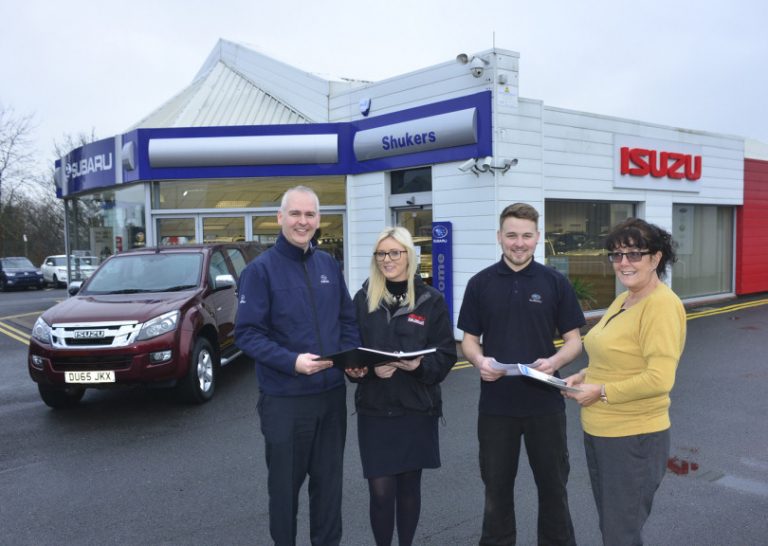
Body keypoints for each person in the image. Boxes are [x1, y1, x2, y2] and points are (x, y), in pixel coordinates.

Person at [234, 185, 360, 546]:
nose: (302, 222)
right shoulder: (260, 271)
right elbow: (247, 334)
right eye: (295, 214)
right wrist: (292, 362)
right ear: (280, 218)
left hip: (331, 398)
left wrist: (350, 357)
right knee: (285, 493)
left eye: (310, 215)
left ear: (318, 220)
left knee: (329, 490)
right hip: (286, 401)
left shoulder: (328, 265)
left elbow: (346, 320)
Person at [457, 202, 585, 546]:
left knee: (554, 490)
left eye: (526, 236)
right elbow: (468, 341)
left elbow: (575, 341)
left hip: (545, 406)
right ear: (499, 237)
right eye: (511, 235)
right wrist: (479, 361)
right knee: (496, 492)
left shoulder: (554, 282)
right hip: (496, 408)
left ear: (537, 238)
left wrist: (555, 361)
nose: (519, 243)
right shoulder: (479, 283)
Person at [563, 218, 686, 546]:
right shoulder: (626, 298)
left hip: (633, 438)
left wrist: (601, 391)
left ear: (656, 258)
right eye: (616, 255)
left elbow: (660, 378)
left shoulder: (661, 306)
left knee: (621, 532)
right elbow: (616, 355)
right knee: (613, 526)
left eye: (634, 254)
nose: (623, 263)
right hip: (602, 432)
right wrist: (586, 375)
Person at [346, 227, 457, 546]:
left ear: (409, 256)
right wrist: (364, 372)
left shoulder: (430, 300)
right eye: (382, 253)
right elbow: (352, 352)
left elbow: (447, 354)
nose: (387, 259)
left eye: (395, 252)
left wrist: (419, 366)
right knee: (380, 492)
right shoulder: (364, 298)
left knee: (409, 489)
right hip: (375, 409)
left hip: (416, 408)